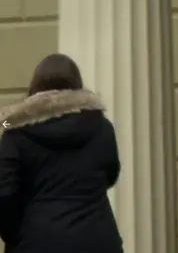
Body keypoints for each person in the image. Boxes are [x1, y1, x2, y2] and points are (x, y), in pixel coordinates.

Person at [0, 54, 123, 253]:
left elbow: (5, 194)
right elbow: (111, 174)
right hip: (98, 240)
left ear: (34, 89)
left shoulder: (15, 132)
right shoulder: (102, 126)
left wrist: (18, 235)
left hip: (36, 242)